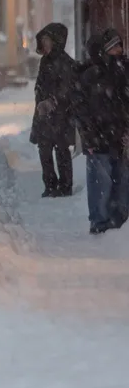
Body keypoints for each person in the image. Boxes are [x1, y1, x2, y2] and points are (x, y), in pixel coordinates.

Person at [75, 28, 129, 234]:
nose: (119, 50)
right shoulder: (91, 75)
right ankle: (100, 222)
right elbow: (81, 109)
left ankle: (119, 221)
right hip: (98, 138)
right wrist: (89, 136)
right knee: (101, 182)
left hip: (119, 136)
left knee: (121, 180)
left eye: (120, 46)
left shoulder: (123, 70)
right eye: (114, 47)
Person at [30, 23, 77, 197]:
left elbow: (67, 89)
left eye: (47, 40)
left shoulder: (65, 62)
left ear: (56, 41)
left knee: (62, 150)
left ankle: (65, 187)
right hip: (44, 115)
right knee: (44, 149)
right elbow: (41, 85)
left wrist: (53, 101)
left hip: (61, 116)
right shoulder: (45, 61)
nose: (45, 43)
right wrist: (39, 98)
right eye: (43, 40)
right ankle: (50, 185)